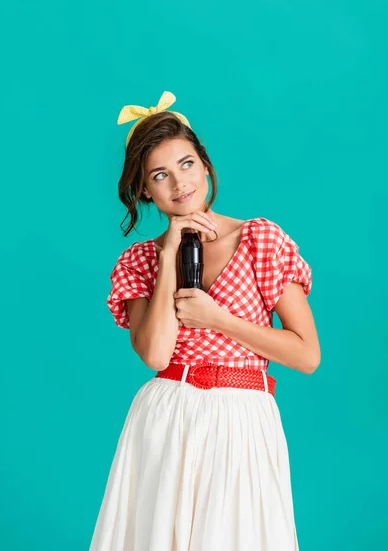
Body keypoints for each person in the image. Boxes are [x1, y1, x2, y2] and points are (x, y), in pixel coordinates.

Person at [89, 91, 321, 551]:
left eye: (187, 164)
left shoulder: (260, 239)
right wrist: (171, 252)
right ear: (143, 190)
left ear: (206, 165)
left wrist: (220, 320)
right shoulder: (141, 259)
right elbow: (155, 353)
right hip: (166, 417)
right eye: (160, 175)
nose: (179, 184)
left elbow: (306, 354)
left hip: (242, 418)